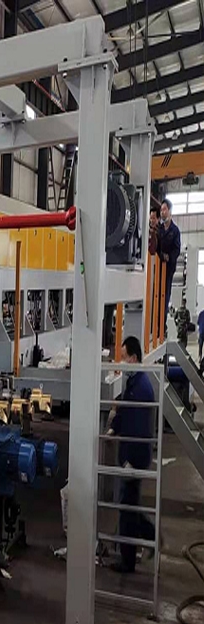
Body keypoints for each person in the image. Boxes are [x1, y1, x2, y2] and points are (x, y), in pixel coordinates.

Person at [107, 336, 156, 573]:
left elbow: (138, 430)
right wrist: (113, 428)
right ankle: (149, 535)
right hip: (133, 456)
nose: (121, 361)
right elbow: (124, 411)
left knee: (127, 507)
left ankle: (129, 560)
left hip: (134, 458)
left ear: (134, 358)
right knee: (129, 504)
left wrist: (129, 462)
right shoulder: (134, 383)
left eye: (124, 356)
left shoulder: (141, 389)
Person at [158, 198, 181, 330]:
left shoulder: (175, 231)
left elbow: (177, 249)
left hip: (168, 268)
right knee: (155, 295)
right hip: (157, 267)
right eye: (161, 210)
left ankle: (162, 325)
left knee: (165, 296)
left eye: (164, 209)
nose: (162, 212)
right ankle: (154, 324)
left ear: (170, 211)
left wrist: (169, 257)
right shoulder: (159, 230)